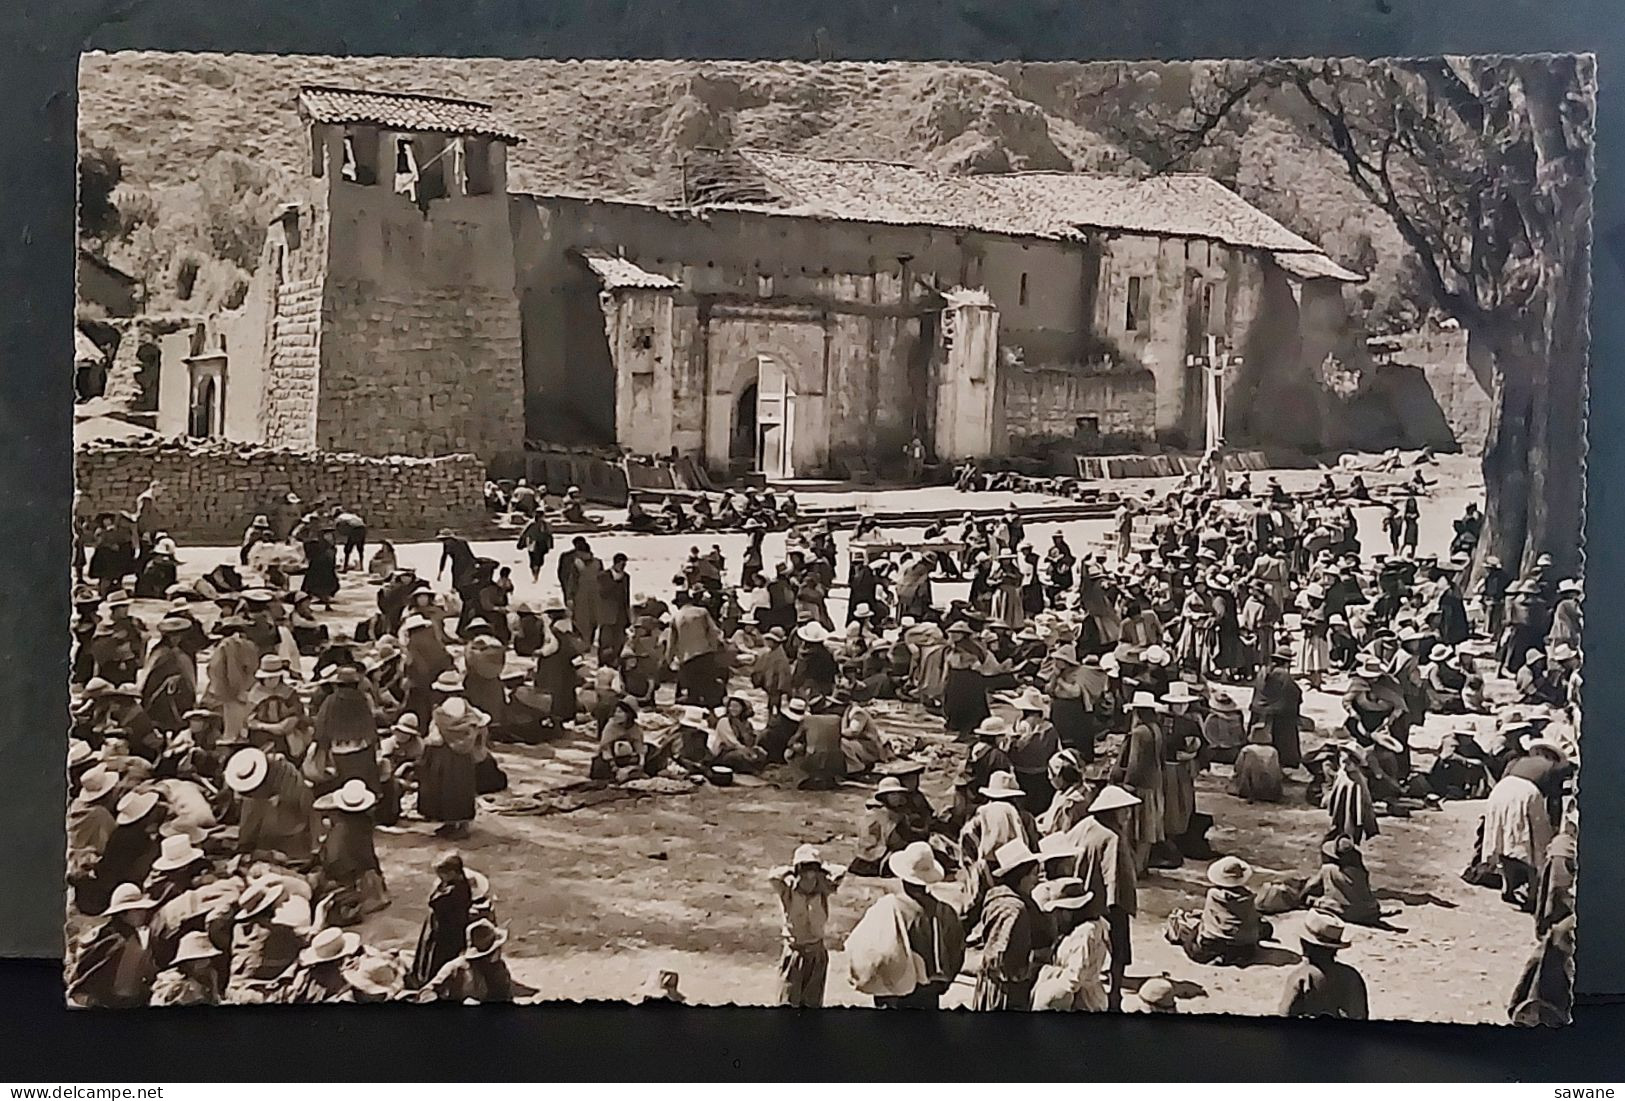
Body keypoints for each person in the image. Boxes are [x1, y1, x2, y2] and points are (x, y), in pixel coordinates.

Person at [1063, 784, 1140, 1011]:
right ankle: (1115, 995)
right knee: (1119, 949)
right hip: (1106, 903)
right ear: (1112, 811)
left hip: (1078, 896)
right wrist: (1118, 906)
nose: (1127, 815)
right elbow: (1117, 877)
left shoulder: (1084, 826)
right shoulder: (1113, 837)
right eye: (1124, 810)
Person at [769, 844, 846, 1008]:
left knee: (812, 1005)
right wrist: (791, 870)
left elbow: (841, 871)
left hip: (816, 953)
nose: (809, 875)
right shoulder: (788, 890)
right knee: (787, 1003)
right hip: (795, 953)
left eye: (813, 870)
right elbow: (773, 877)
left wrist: (823, 870)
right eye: (805, 869)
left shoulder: (823, 890)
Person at [972, 840, 1046, 1011]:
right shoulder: (1013, 908)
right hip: (1005, 990)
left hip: (993, 983)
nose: (1037, 880)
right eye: (1034, 874)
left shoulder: (999, 897)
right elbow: (1000, 955)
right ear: (1022, 875)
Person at [67, 882, 159, 1008]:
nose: (142, 913)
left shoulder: (131, 935)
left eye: (142, 909)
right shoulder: (115, 941)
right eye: (137, 910)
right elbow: (92, 977)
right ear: (122, 913)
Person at [1166, 856, 1272, 965]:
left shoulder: (1214, 894)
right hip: (1244, 946)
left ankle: (1221, 956)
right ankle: (1231, 956)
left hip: (1215, 944)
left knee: (1190, 943)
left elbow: (1207, 921)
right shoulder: (1248, 897)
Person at [314, 779, 390, 925]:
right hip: (354, 871)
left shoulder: (340, 829)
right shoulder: (363, 823)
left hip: (345, 875)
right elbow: (369, 857)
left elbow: (334, 861)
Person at [226, 747, 316, 863]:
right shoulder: (251, 798)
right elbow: (249, 821)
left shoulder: (287, 776)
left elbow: (304, 809)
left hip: (292, 831)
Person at [1278, 913, 1369, 1020]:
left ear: (1304, 945)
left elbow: (1285, 1014)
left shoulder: (1302, 977)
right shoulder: (1352, 975)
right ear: (1335, 949)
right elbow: (1360, 1014)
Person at [410, 852, 476, 989]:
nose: (440, 879)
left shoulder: (455, 890)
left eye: (442, 875)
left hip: (447, 931)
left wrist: (438, 888)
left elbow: (433, 901)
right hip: (444, 926)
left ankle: (433, 983)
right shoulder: (457, 883)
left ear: (452, 872)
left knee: (438, 957)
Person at [420, 920, 515, 1003]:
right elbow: (427, 991)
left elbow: (505, 995)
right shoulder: (456, 968)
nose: (499, 951)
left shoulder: (499, 968)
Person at [1304, 837, 1383, 925]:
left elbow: (1310, 886)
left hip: (1350, 913)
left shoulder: (1329, 869)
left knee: (1315, 901)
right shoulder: (1361, 871)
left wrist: (1302, 898)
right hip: (1369, 911)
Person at [150, 929, 224, 1007]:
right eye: (204, 959)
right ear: (191, 962)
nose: (208, 962)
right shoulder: (175, 983)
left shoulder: (209, 976)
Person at [1228, 725, 1285, 803]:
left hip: (1251, 787)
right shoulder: (1273, 751)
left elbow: (1238, 767)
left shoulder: (1247, 750)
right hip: (1271, 790)